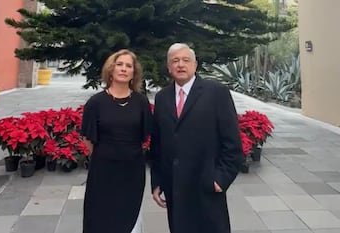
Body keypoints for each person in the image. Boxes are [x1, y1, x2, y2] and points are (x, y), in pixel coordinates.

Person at [150, 43, 243, 233]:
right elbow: (158, 144)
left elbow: (232, 142)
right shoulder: (162, 97)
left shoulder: (216, 92)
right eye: (175, 61)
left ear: (195, 64)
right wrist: (157, 181)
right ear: (169, 67)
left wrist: (221, 179)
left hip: (207, 186)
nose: (181, 65)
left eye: (186, 60)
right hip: (175, 188)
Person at [81, 49, 152, 233]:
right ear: (111, 69)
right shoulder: (95, 103)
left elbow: (145, 137)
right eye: (119, 64)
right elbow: (88, 139)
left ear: (133, 73)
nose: (123, 69)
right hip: (102, 171)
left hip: (132, 171)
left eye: (129, 66)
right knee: (100, 218)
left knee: (128, 218)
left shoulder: (141, 102)